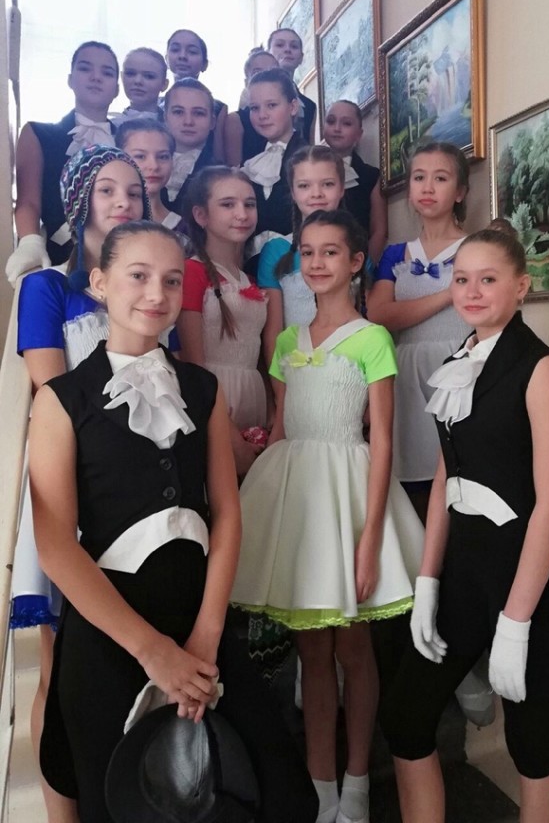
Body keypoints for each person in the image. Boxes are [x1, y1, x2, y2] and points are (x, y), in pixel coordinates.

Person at [28, 220, 318, 823]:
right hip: (111, 631)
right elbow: (55, 544)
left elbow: (227, 513)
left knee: (276, 794)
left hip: (199, 619)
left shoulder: (202, 388)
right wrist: (153, 652)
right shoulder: (61, 399)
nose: (156, 294)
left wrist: (205, 637)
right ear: (101, 283)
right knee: (123, 800)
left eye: (169, 280)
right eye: (138, 276)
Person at [380, 228, 549, 823]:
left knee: (532, 741)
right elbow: (445, 478)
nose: (471, 291)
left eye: (488, 279)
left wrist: (517, 621)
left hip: (526, 576)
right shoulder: (459, 361)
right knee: (406, 717)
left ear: (520, 287)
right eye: (461, 279)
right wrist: (428, 581)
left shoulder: (540, 368)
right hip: (464, 571)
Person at [231, 209, 423, 823]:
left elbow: (382, 440)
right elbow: (282, 425)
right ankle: (321, 787)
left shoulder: (372, 339)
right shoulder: (288, 342)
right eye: (308, 252)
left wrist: (369, 540)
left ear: (355, 261)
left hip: (349, 495)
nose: (317, 262)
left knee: (355, 651)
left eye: (330, 252)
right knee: (312, 655)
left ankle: (358, 779)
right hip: (299, 500)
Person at [13, 145, 152, 823]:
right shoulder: (45, 287)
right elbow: (50, 389)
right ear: (79, 202)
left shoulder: (144, 285)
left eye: (133, 191)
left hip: (135, 490)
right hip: (70, 477)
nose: (122, 201)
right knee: (59, 665)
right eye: (106, 190)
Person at [367, 142, 470, 521]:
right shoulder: (396, 254)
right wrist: (447, 294)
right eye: (419, 177)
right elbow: (379, 314)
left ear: (460, 191)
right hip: (407, 378)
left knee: (461, 481)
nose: (427, 187)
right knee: (413, 490)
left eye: (440, 178)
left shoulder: (476, 249)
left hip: (460, 373)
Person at [176, 166, 268, 478]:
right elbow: (193, 363)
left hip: (253, 398)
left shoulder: (250, 279)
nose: (242, 214)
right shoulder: (191, 272)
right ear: (201, 215)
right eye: (228, 204)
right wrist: (227, 433)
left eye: (249, 204)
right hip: (214, 400)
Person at [6, 41, 120, 283]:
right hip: (58, 258)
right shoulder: (38, 133)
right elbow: (28, 201)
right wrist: (30, 242)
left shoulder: (128, 139)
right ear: (70, 79)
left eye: (107, 72)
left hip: (122, 257)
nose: (96, 77)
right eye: (85, 68)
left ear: (117, 89)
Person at [258, 145, 345, 367]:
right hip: (295, 369)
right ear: (293, 192)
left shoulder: (356, 249)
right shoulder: (277, 250)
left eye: (327, 184)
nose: (316, 193)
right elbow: (273, 333)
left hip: (348, 367)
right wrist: (278, 385)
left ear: (342, 188)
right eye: (304, 186)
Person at [239, 67, 309, 240]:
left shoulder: (310, 158)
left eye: (271, 105)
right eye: (254, 108)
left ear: (293, 107)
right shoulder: (250, 165)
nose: (262, 115)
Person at [321, 100, 387, 265]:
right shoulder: (308, 170)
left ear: (359, 133)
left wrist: (363, 268)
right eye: (331, 121)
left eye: (346, 123)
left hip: (356, 264)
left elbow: (379, 231)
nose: (337, 128)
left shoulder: (370, 176)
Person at [165, 28, 228, 161]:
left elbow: (219, 155)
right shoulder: (156, 106)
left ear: (204, 64)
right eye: (175, 50)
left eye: (192, 52)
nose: (182, 56)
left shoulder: (218, 107)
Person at [115, 118, 185, 234]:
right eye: (140, 156)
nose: (154, 166)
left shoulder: (183, 229)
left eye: (162, 157)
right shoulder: (106, 220)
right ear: (118, 158)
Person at [162, 77, 220, 215]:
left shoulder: (220, 174)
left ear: (212, 122)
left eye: (198, 113)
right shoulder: (143, 163)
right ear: (165, 118)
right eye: (178, 112)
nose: (188, 121)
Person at [224, 49, 280, 168]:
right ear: (246, 82)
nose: (265, 78)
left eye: (272, 73)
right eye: (257, 73)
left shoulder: (286, 112)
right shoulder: (236, 120)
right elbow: (234, 168)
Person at [267, 28, 316, 144]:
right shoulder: (252, 94)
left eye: (294, 46)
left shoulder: (309, 106)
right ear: (268, 52)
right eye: (280, 45)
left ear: (301, 57)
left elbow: (309, 146)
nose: (287, 50)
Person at [110, 47, 168, 125]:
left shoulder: (174, 128)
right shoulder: (109, 127)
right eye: (130, 74)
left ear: (164, 84)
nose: (138, 81)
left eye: (149, 76)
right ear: (121, 76)